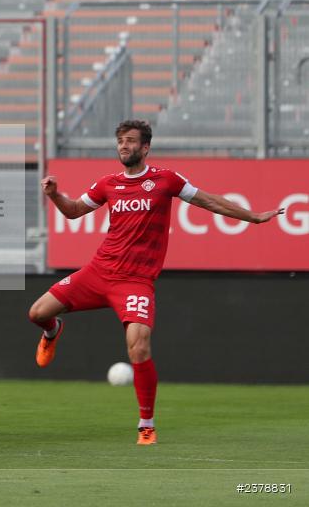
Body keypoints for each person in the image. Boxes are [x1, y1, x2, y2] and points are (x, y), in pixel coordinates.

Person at [29, 119, 284, 445]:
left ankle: (145, 424)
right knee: (37, 313)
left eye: (131, 141)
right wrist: (55, 195)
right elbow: (75, 211)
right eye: (120, 140)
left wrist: (254, 217)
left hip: (135, 281)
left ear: (145, 147)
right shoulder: (108, 183)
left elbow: (209, 200)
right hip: (98, 272)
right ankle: (53, 331)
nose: (124, 145)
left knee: (139, 346)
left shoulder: (166, 180)